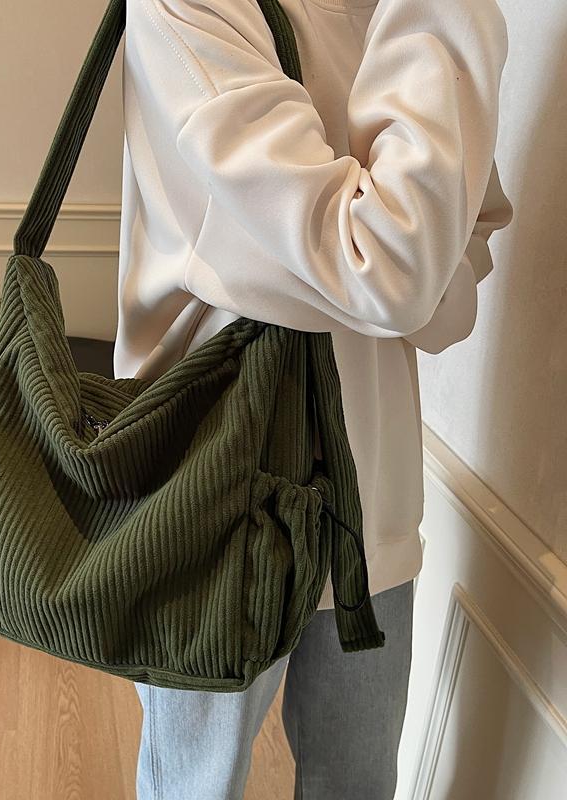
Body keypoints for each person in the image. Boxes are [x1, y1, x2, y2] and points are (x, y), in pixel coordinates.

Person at [114, 0, 514, 798]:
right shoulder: (196, 8)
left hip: (371, 500)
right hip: (213, 497)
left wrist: (392, 273)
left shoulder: (391, 15)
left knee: (356, 781)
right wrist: (394, 273)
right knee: (195, 785)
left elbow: (452, 261)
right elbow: (398, 272)